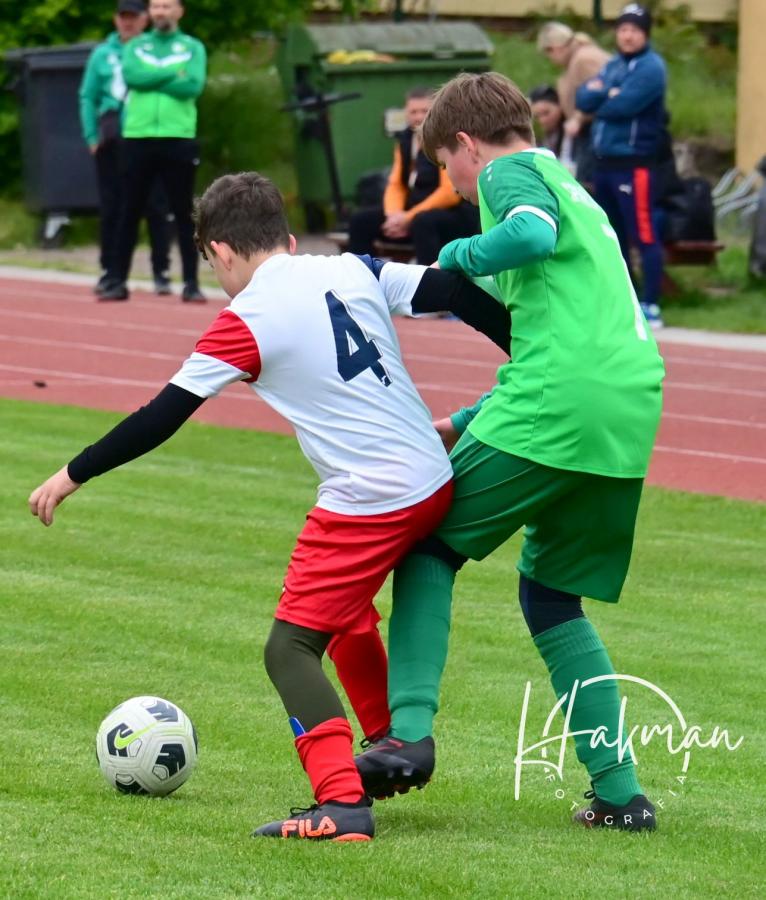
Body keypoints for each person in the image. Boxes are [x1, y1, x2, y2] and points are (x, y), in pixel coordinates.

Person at [28, 172, 510, 842]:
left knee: (289, 648)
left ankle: (341, 804)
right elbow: (452, 289)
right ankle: (391, 744)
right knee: (344, 614)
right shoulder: (352, 267)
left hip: (370, 496)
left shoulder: (246, 318)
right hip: (432, 476)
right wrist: (525, 351)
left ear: (221, 252)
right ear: (286, 239)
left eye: (211, 263)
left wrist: (72, 473)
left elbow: (161, 415)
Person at [355, 72, 666, 833]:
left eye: (448, 169)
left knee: (427, 547)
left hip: (558, 404)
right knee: (552, 596)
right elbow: (559, 332)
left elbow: (528, 235)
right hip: (626, 410)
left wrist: (458, 253)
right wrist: (466, 421)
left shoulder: (507, 173)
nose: (459, 188)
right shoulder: (572, 184)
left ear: (467, 144)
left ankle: (407, 734)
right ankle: (621, 795)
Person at [99, 0, 207, 303]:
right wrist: (173, 73)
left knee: (184, 213)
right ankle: (117, 281)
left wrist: (154, 78)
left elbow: (192, 86)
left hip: (178, 135)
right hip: (138, 136)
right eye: (156, 6)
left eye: (167, 6)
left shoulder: (193, 47)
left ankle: (191, 283)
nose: (161, 12)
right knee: (129, 210)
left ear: (179, 11)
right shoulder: (136, 45)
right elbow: (133, 78)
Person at [576, 4, 667, 327]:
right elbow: (582, 99)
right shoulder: (613, 65)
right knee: (611, 236)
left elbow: (621, 107)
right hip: (604, 164)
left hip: (633, 164)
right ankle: (627, 299)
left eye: (635, 30)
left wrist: (604, 96)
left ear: (646, 34)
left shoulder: (651, 68)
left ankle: (651, 303)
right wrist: (607, 93)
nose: (628, 36)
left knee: (642, 233)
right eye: (623, 29)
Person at [79, 0, 173, 298]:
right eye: (123, 17)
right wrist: (91, 135)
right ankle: (110, 270)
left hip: (148, 135)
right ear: (116, 19)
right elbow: (88, 95)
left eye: (133, 16)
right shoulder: (102, 54)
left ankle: (161, 271)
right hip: (114, 136)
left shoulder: (153, 49)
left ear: (145, 19)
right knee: (113, 206)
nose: (128, 22)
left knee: (156, 204)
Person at [347, 86, 479, 264]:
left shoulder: (444, 139)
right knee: (360, 220)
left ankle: (429, 277)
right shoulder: (405, 140)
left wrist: (408, 218)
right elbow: (396, 184)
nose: (418, 117)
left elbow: (449, 193)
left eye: (424, 111)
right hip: (413, 210)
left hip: (452, 213)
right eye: (413, 112)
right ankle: (362, 275)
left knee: (422, 222)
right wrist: (394, 215)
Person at [536, 21, 609, 186]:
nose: (551, 60)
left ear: (555, 48)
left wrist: (578, 118)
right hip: (589, 131)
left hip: (594, 132)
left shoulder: (584, 60)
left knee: (587, 184)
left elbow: (602, 95)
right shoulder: (578, 58)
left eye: (548, 53)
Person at [528, 85, 577, 175]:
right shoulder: (542, 137)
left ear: (560, 105)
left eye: (546, 113)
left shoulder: (574, 131)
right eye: (537, 116)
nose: (542, 120)